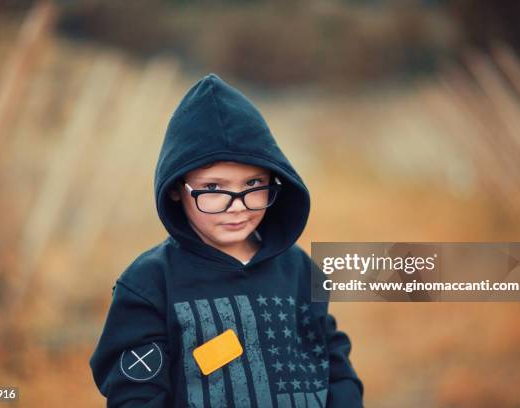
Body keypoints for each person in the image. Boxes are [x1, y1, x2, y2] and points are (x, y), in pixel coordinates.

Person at [89, 73, 364, 407]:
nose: (237, 207)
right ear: (177, 189)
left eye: (252, 185)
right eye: (214, 189)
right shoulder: (148, 284)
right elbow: (134, 394)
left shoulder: (298, 269)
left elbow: (333, 360)